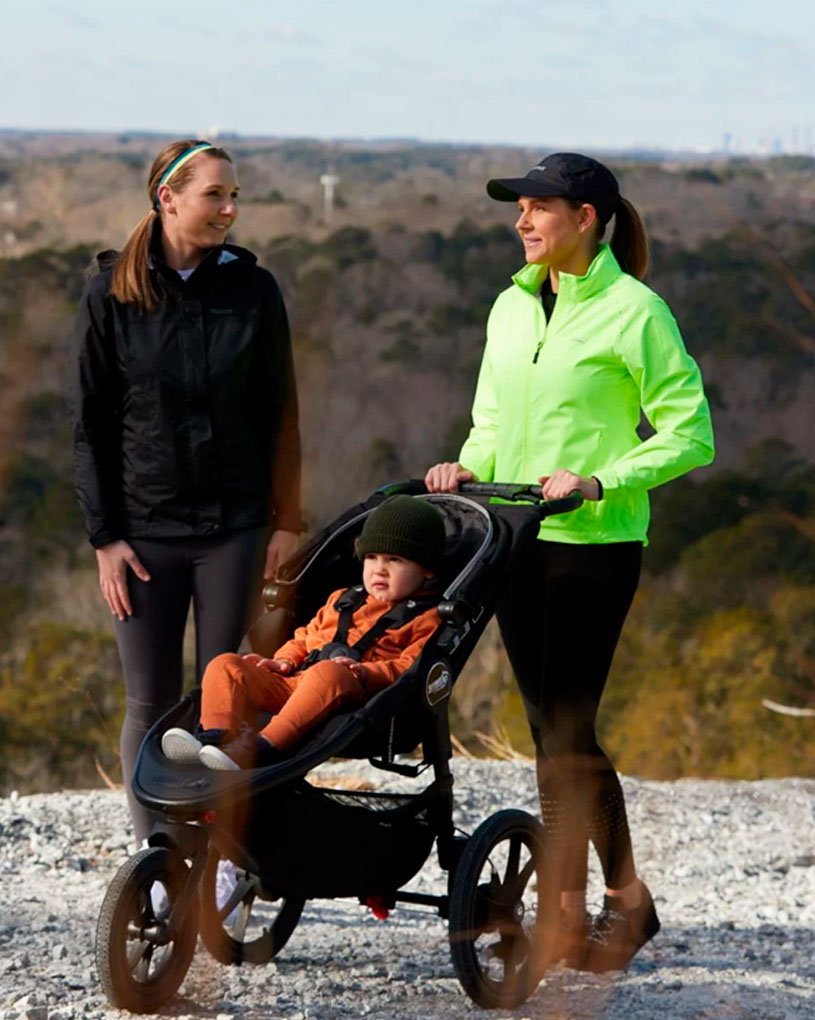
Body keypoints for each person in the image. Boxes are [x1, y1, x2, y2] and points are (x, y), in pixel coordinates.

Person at [425, 153, 714, 973]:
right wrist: (465, 465)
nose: (521, 221)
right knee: (551, 730)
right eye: (517, 208)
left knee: (564, 729)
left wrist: (597, 480)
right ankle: (605, 905)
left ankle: (592, 903)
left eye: (538, 207)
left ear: (585, 218)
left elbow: (690, 433)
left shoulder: (636, 311)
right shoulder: (509, 308)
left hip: (594, 546)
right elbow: (490, 420)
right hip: (513, 542)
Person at [73, 139, 301, 844]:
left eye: (235, 196)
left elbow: (280, 413)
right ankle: (160, 859)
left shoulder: (254, 289)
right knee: (148, 702)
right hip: (142, 534)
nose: (230, 209)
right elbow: (90, 425)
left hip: (235, 529)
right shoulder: (110, 293)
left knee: (221, 699)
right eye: (215, 195)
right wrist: (105, 538)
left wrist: (286, 522)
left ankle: (221, 858)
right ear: (167, 198)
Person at [161, 495, 445, 770]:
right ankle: (215, 738)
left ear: (427, 570)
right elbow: (305, 636)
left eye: (395, 560)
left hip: (354, 696)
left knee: (329, 673)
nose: (379, 570)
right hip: (296, 680)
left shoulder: (426, 618)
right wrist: (283, 661)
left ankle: (264, 746)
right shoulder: (342, 599)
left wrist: (365, 673)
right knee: (226, 665)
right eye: (372, 557)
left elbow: (411, 668)